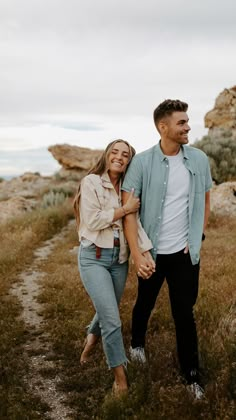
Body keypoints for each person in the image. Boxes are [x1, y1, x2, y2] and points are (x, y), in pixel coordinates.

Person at [122, 99, 212, 400]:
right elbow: (129, 211)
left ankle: (192, 376)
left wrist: (197, 235)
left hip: (186, 254)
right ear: (164, 127)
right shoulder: (142, 162)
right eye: (182, 123)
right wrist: (138, 253)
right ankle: (136, 344)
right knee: (145, 302)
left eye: (187, 122)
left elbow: (205, 199)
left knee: (184, 314)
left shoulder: (198, 159)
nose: (188, 127)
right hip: (152, 251)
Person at [74, 139, 152, 396]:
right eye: (115, 152)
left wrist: (145, 251)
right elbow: (94, 220)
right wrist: (124, 209)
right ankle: (121, 380)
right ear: (107, 155)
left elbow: (135, 224)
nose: (120, 157)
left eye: (125, 154)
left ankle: (90, 340)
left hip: (119, 261)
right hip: (93, 258)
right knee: (111, 319)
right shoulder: (92, 182)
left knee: (107, 310)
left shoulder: (128, 188)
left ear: (130, 160)